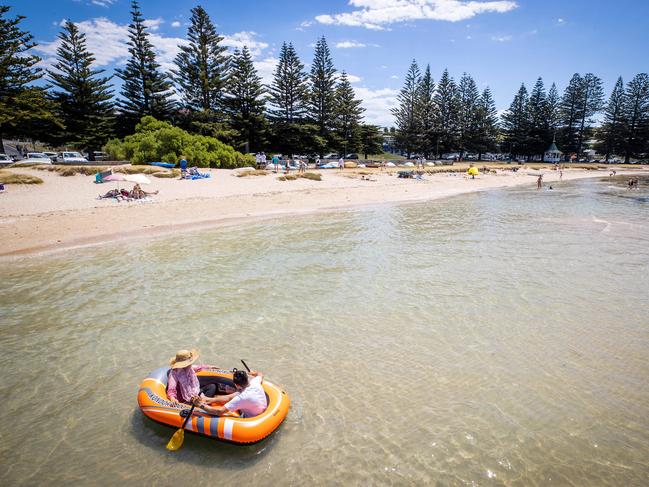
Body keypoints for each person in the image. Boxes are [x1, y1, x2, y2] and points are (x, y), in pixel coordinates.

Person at [200, 369, 267, 418]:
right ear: (247, 379)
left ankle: (209, 400)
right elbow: (260, 374)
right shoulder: (255, 382)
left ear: (236, 385)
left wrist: (201, 405)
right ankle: (210, 399)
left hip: (251, 419)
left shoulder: (243, 397)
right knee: (236, 394)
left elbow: (219, 411)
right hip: (262, 412)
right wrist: (253, 373)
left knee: (236, 396)